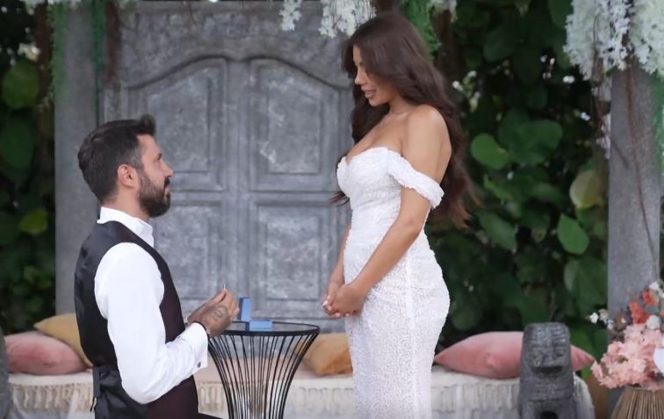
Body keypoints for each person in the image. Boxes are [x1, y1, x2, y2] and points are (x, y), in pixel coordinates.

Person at [322, 12, 476, 419]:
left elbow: (409, 221)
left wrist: (359, 287)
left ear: (394, 62)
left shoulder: (424, 120)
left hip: (399, 288)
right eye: (356, 68)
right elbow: (363, 213)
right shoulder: (378, 122)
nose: (359, 79)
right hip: (366, 287)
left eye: (366, 67)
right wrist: (340, 278)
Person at [75, 115, 238, 419]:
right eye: (158, 161)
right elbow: (145, 383)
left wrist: (189, 326)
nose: (169, 170)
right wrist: (204, 329)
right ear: (128, 175)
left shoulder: (107, 243)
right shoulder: (126, 258)